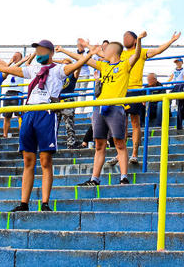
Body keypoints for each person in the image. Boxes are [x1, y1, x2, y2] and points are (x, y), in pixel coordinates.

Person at [0, 40, 98, 211]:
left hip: (46, 112)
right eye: (37, 50)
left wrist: (90, 54)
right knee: (28, 160)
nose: (39, 53)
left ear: (51, 52)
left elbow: (76, 65)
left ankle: (45, 203)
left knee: (45, 160)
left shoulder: (58, 70)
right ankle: (24, 203)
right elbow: (8, 69)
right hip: (29, 112)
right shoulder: (33, 69)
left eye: (42, 50)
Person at [61, 40, 147, 187]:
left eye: (105, 50)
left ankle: (124, 178)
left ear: (113, 51)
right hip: (99, 107)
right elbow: (81, 59)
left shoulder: (124, 65)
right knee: (99, 145)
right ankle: (94, 179)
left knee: (120, 143)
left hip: (116, 107)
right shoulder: (103, 65)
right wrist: (63, 50)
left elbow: (137, 54)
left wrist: (138, 40)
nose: (103, 52)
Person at [120, 30, 178, 165]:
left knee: (135, 123)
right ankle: (120, 155)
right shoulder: (120, 53)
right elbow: (103, 55)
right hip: (121, 91)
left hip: (135, 90)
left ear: (135, 40)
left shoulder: (140, 52)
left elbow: (158, 51)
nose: (125, 39)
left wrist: (171, 40)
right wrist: (89, 48)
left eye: (128, 37)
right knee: (122, 125)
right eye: (124, 37)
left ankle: (134, 154)